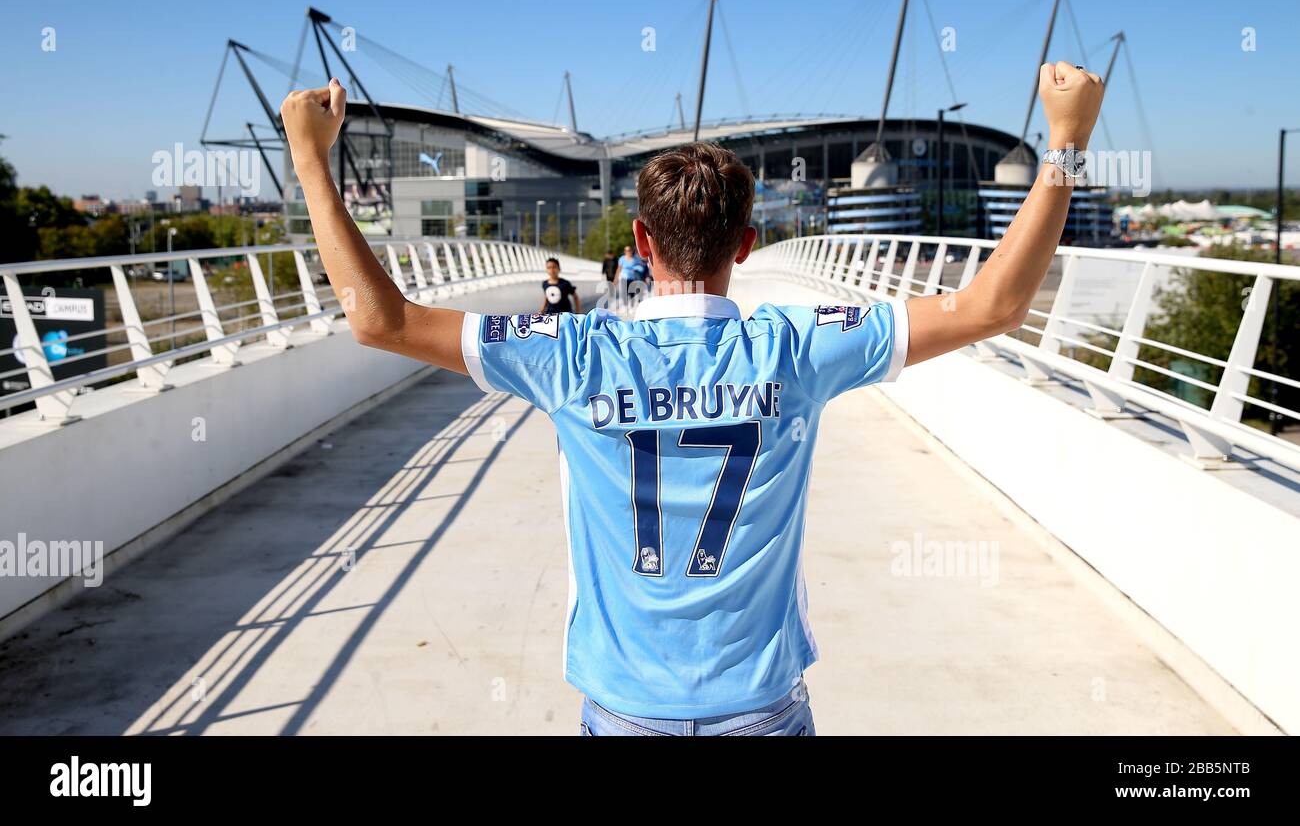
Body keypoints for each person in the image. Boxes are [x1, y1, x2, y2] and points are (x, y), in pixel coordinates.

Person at [280, 62, 1103, 736]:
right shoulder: (797, 345)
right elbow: (991, 305)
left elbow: (378, 318)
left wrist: (313, 159)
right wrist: (1063, 142)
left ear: (638, 243)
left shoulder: (574, 355)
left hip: (628, 707)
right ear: (747, 245)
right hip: (762, 710)